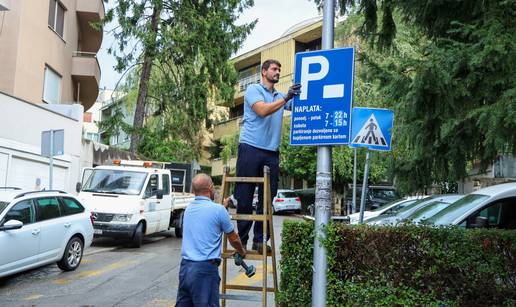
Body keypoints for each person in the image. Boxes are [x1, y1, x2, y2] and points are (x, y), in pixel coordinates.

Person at [234, 59, 301, 252]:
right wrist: (286, 98)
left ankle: (260, 240)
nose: (277, 72)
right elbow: (262, 110)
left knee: (267, 199)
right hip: (250, 148)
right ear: (264, 72)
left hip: (271, 152)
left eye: (279, 69)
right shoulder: (254, 90)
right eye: (274, 69)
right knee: (245, 197)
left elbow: (298, 107)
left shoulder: (280, 95)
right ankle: (242, 241)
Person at [176, 174, 246, 307]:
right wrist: (241, 251)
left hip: (185, 269)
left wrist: (223, 207)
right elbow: (234, 238)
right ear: (210, 188)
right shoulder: (218, 211)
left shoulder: (188, 210)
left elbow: (207, 218)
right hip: (204, 270)